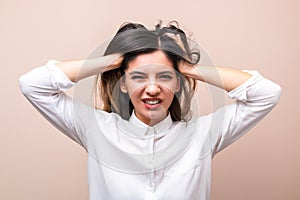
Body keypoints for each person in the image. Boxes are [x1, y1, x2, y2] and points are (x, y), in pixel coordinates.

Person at [19, 21, 281, 200]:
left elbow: (267, 93)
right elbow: (33, 85)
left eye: (165, 77)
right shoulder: (96, 129)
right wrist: (111, 61)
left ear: (177, 83)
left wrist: (187, 68)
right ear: (123, 83)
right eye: (139, 77)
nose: (152, 89)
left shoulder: (203, 134)